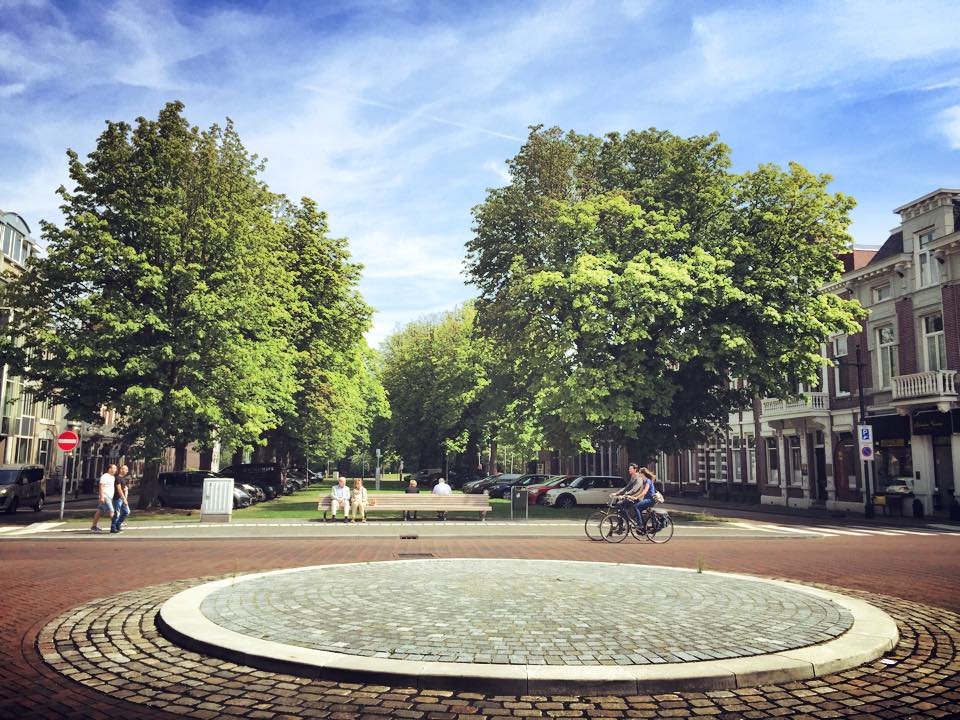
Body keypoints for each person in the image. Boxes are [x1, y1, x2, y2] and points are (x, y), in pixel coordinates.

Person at [90, 464, 117, 534]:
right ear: (110, 469)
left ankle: (93, 526)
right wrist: (101, 496)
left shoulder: (112, 477)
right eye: (114, 468)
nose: (116, 470)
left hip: (109, 497)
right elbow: (101, 486)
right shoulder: (105, 476)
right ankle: (116, 526)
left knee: (99, 511)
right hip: (105, 496)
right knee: (111, 511)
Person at [110, 465, 131, 533]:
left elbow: (123, 488)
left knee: (126, 512)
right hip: (118, 498)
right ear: (121, 470)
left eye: (127, 470)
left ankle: (118, 524)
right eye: (125, 469)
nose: (127, 471)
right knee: (117, 513)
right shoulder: (117, 478)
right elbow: (119, 489)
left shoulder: (123, 478)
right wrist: (124, 498)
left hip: (122, 498)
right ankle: (113, 528)